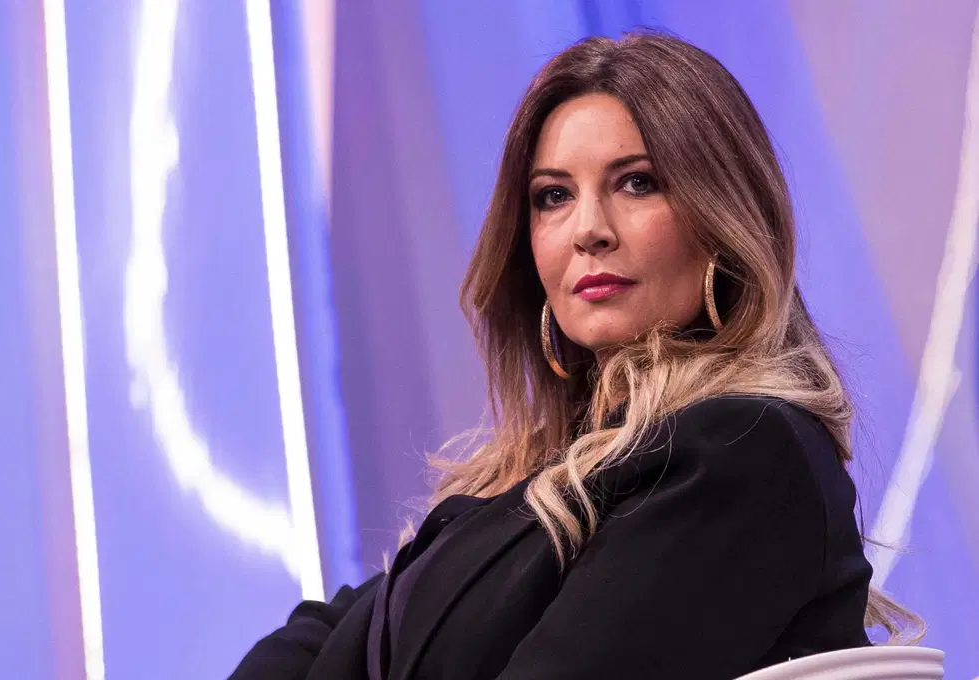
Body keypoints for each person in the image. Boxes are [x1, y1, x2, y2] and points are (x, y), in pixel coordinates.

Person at [229, 32, 921, 680]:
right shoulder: (534, 479)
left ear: (723, 217)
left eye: (638, 182)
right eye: (553, 196)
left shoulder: (741, 448)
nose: (588, 229)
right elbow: (330, 633)